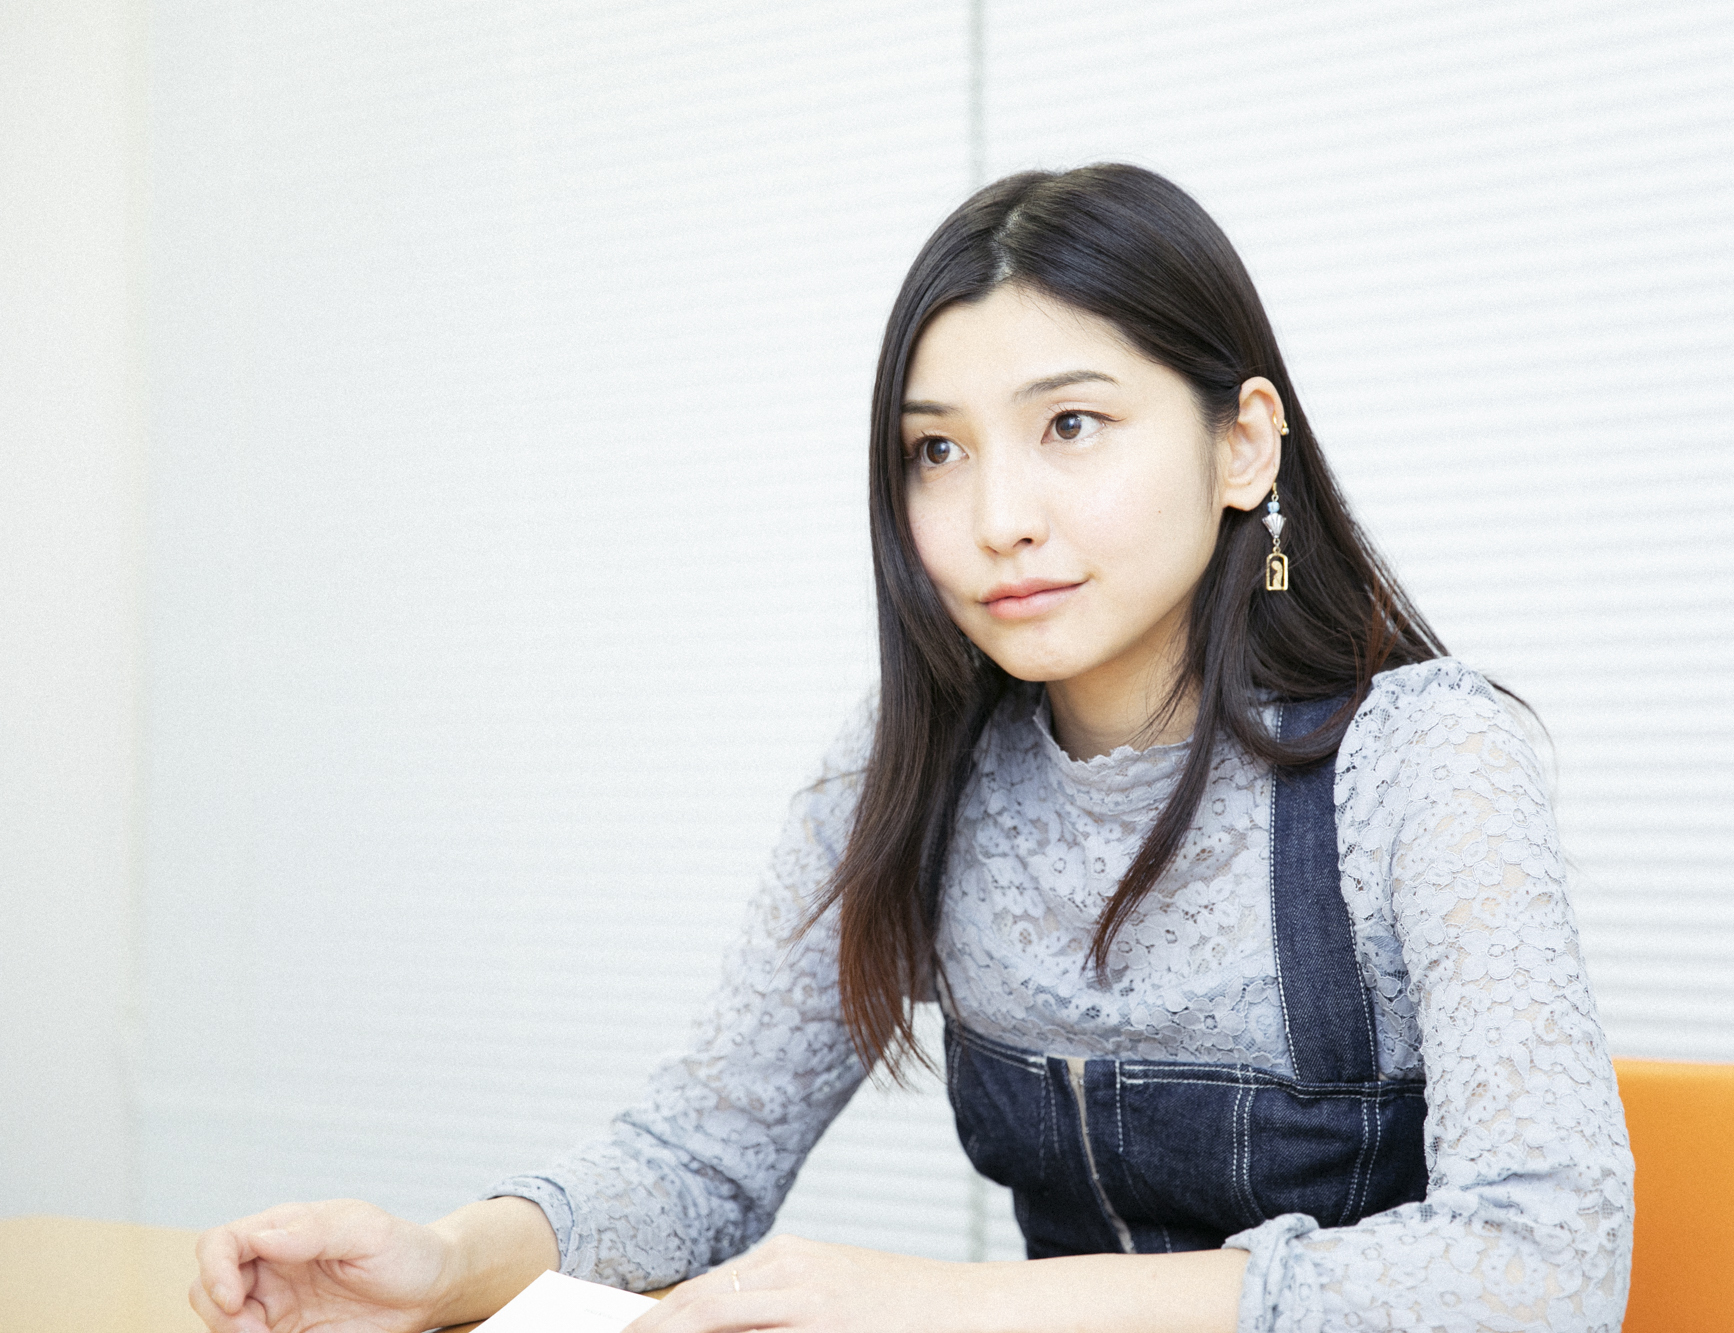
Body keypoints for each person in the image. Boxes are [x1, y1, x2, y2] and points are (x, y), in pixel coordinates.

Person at [191, 164, 1634, 1333]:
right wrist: (448, 1262)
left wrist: (958, 1307)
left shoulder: (1426, 760)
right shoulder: (918, 761)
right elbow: (705, 1149)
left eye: (1071, 423)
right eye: (935, 450)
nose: (995, 513)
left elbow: (1543, 1266)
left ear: (1243, 446)